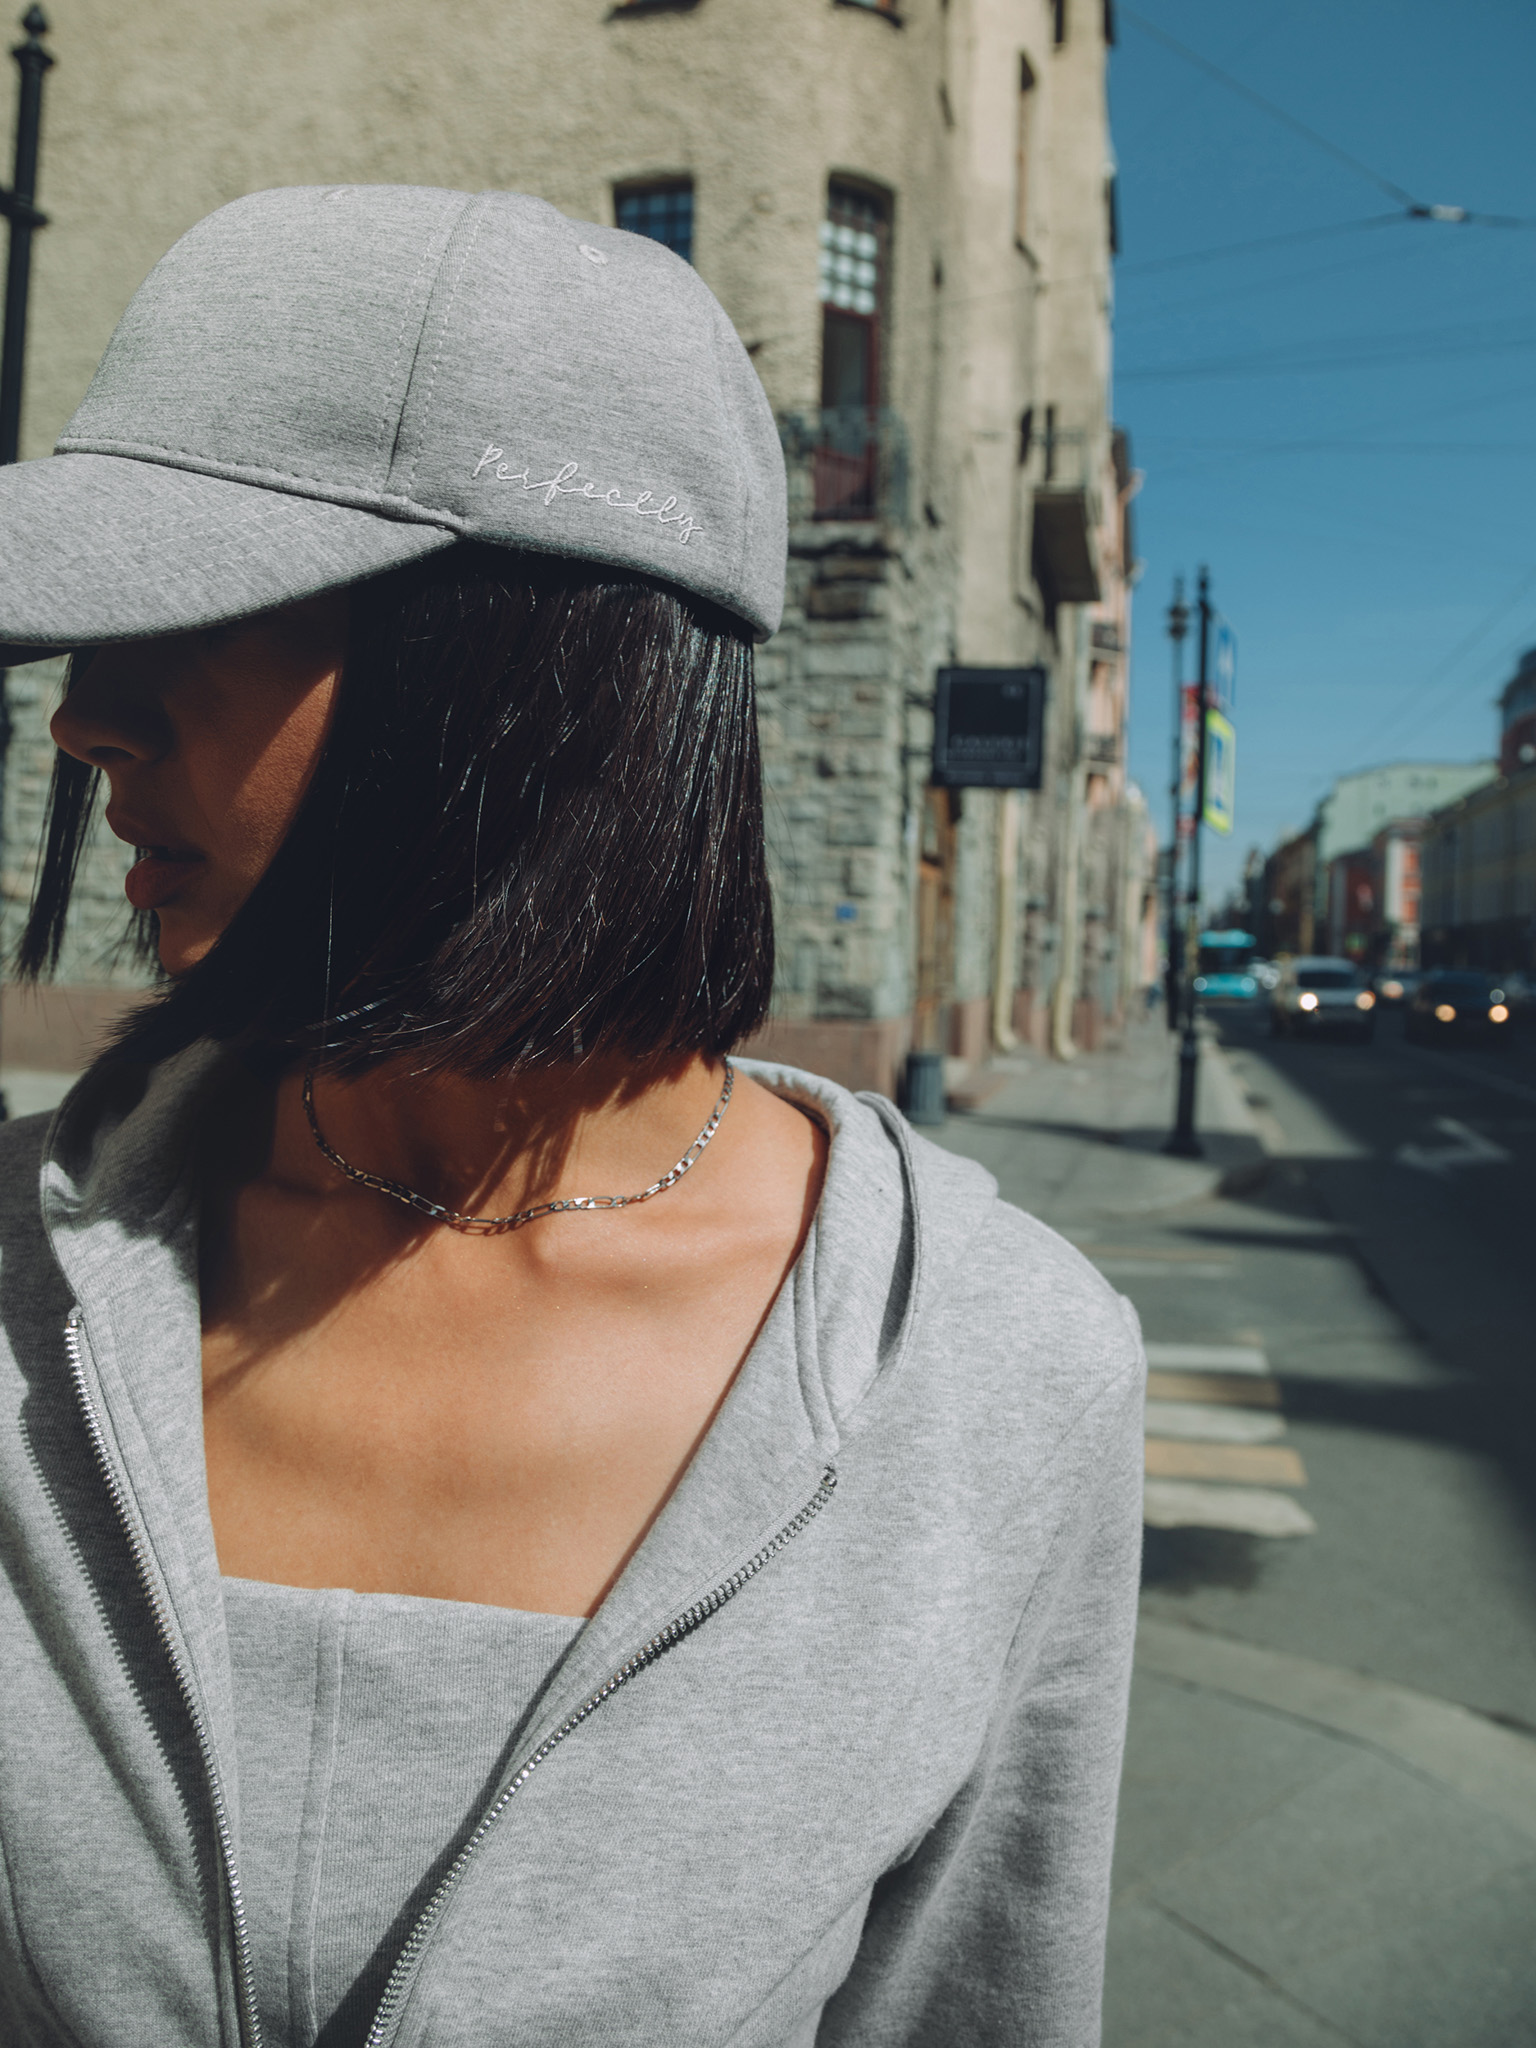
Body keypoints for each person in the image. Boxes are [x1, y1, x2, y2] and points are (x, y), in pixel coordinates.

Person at [0, 187, 1145, 2048]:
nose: (89, 715)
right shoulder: (27, 1283)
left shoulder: (994, 1378)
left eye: (199, 601)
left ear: (537, 662)